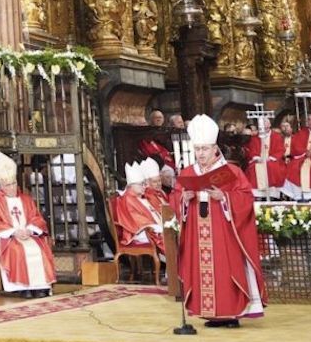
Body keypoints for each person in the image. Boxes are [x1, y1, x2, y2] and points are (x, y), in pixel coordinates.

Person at [175, 115, 266, 327]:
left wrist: (224, 197)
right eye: (197, 149)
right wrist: (184, 200)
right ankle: (212, 314)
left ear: (215, 149)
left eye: (204, 149)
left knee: (226, 271)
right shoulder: (188, 173)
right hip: (198, 235)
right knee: (202, 271)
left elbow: (245, 197)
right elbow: (176, 198)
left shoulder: (231, 171)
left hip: (224, 233)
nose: (200, 154)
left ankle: (231, 313)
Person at [0, 153, 55, 298]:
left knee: (40, 248)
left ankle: (40, 287)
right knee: (18, 249)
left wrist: (30, 229)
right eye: (8, 185)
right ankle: (22, 287)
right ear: (2, 186)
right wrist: (14, 232)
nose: (12, 187)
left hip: (29, 234)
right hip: (10, 237)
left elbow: (37, 217)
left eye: (14, 183)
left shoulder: (26, 199)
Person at [111, 159, 166, 262]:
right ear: (132, 185)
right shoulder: (127, 199)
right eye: (141, 184)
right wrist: (155, 226)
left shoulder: (139, 196)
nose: (144, 187)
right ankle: (172, 266)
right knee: (166, 236)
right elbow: (135, 219)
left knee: (170, 233)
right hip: (135, 233)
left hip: (145, 229)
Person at [245, 119, 288, 200]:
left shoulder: (277, 136)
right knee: (253, 168)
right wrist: (257, 157)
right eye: (262, 128)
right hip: (259, 160)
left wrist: (270, 158)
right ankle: (258, 195)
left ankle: (272, 194)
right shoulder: (255, 138)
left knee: (272, 167)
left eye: (266, 127)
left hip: (273, 160)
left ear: (269, 126)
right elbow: (252, 150)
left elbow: (280, 150)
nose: (264, 130)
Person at [137, 109, 176, 174]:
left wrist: (168, 154)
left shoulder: (166, 132)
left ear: (163, 119)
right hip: (156, 164)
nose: (158, 119)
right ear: (151, 120)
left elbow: (163, 150)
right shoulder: (145, 138)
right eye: (156, 118)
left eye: (160, 117)